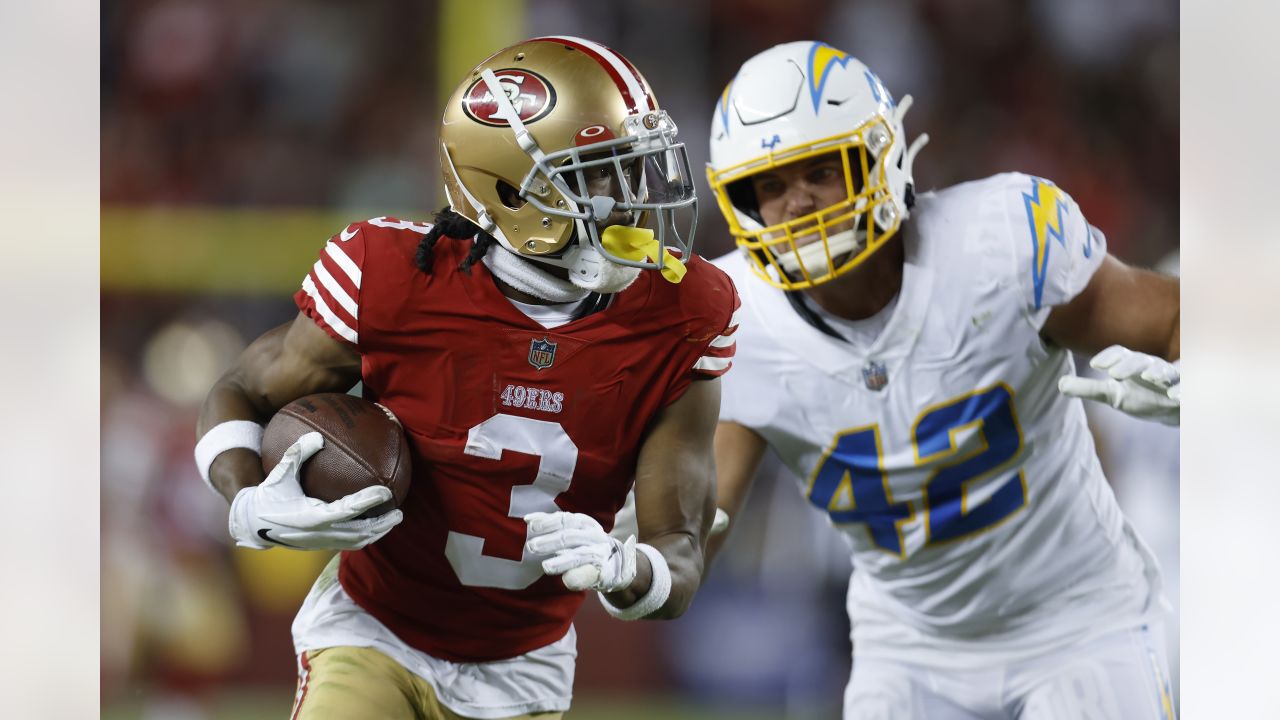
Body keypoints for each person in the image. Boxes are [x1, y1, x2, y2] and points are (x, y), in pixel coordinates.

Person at [193, 36, 739, 720]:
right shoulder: (395, 277)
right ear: (511, 190)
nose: (634, 201)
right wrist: (247, 500)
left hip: (524, 665)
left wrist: (629, 570)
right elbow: (240, 389)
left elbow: (679, 552)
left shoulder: (685, 311)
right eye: (598, 175)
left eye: (636, 168)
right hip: (374, 628)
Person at [704, 41, 1179, 719]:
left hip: (1077, 622)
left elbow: (1174, 321)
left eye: (819, 170)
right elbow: (698, 525)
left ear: (878, 155)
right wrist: (644, 560)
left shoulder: (1000, 242)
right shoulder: (732, 319)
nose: (796, 205)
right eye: (770, 186)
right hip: (910, 649)